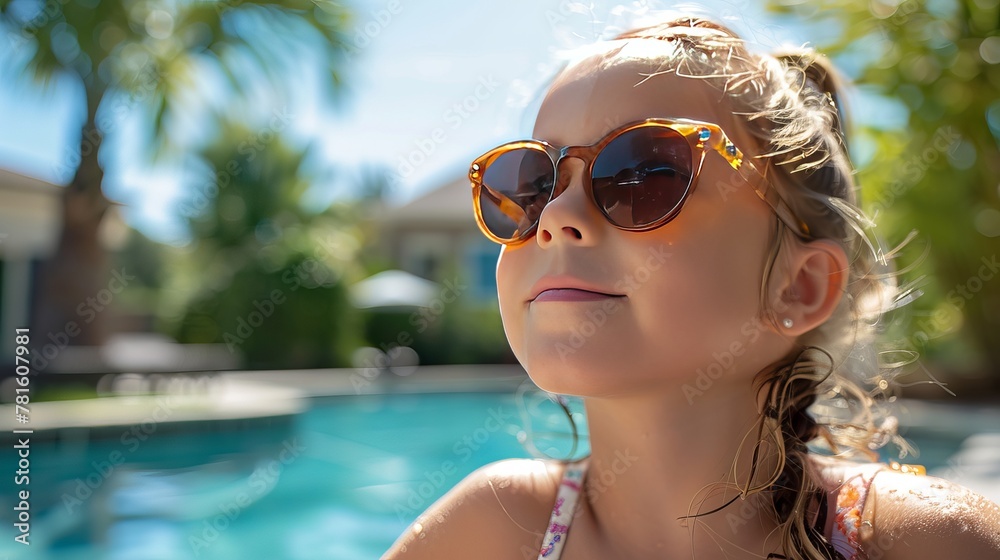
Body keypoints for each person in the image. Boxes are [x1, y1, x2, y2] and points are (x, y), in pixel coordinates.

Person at [383, 14, 1000, 560]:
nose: (554, 217)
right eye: (529, 183)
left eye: (642, 171)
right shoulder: (493, 530)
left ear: (798, 287)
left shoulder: (922, 542)